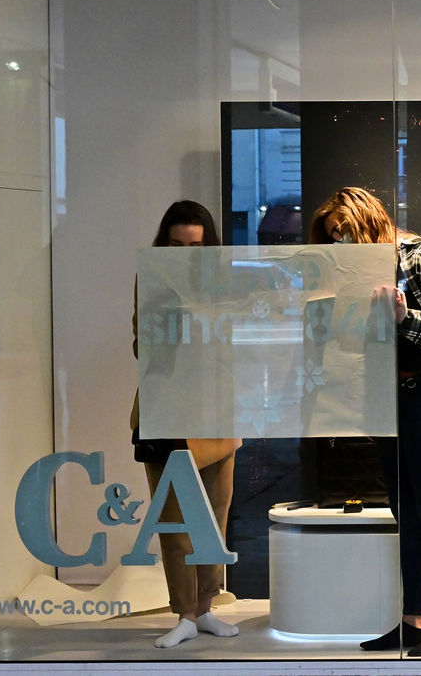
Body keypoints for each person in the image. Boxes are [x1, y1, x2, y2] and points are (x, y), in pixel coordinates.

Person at [308, 187, 421, 658]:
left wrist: (407, 319)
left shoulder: (418, 256)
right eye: (333, 236)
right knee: (405, 513)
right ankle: (413, 622)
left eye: (345, 231)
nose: (340, 242)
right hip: (386, 394)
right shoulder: (347, 276)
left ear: (367, 222)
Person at [130, 200, 241, 649]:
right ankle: (185, 614)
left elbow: (236, 343)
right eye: (176, 246)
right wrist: (172, 322)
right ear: (164, 245)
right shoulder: (152, 280)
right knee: (176, 523)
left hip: (215, 410)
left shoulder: (222, 284)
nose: (185, 255)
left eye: (195, 247)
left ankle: (207, 607)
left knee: (215, 516)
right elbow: (141, 347)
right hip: (168, 413)